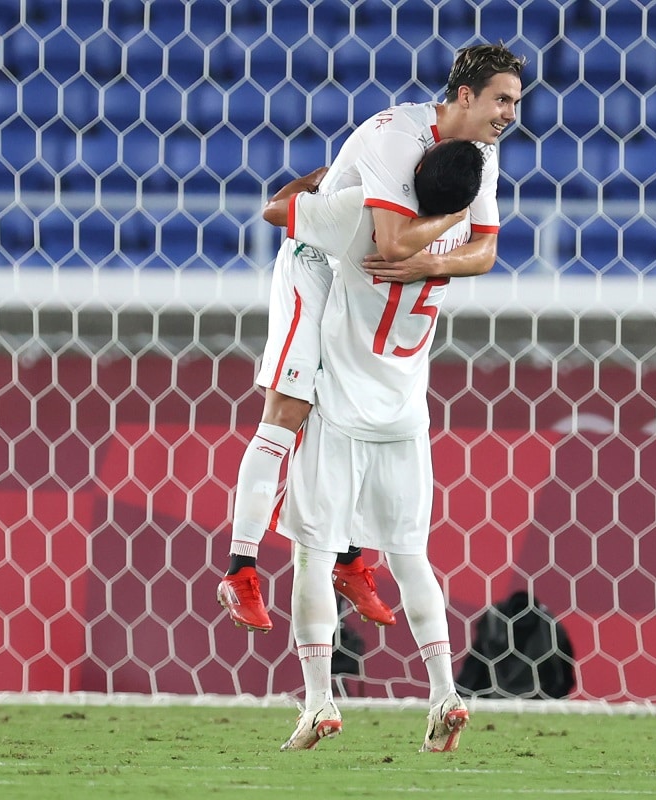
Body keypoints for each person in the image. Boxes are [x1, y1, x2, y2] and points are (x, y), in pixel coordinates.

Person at [217, 43, 526, 634]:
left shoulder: (479, 156)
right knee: (290, 408)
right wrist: (451, 226)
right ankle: (240, 567)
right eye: (501, 100)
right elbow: (390, 244)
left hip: (359, 276)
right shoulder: (395, 135)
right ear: (466, 96)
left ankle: (351, 559)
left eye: (514, 102)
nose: (510, 113)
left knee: (364, 414)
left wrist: (436, 262)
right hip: (319, 263)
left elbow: (485, 253)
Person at [263, 138, 487, 752]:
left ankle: (318, 702)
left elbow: (278, 210)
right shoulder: (459, 235)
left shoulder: (364, 214)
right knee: (412, 558)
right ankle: (444, 692)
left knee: (313, 553)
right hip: (405, 416)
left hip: (339, 411)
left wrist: (331, 175)